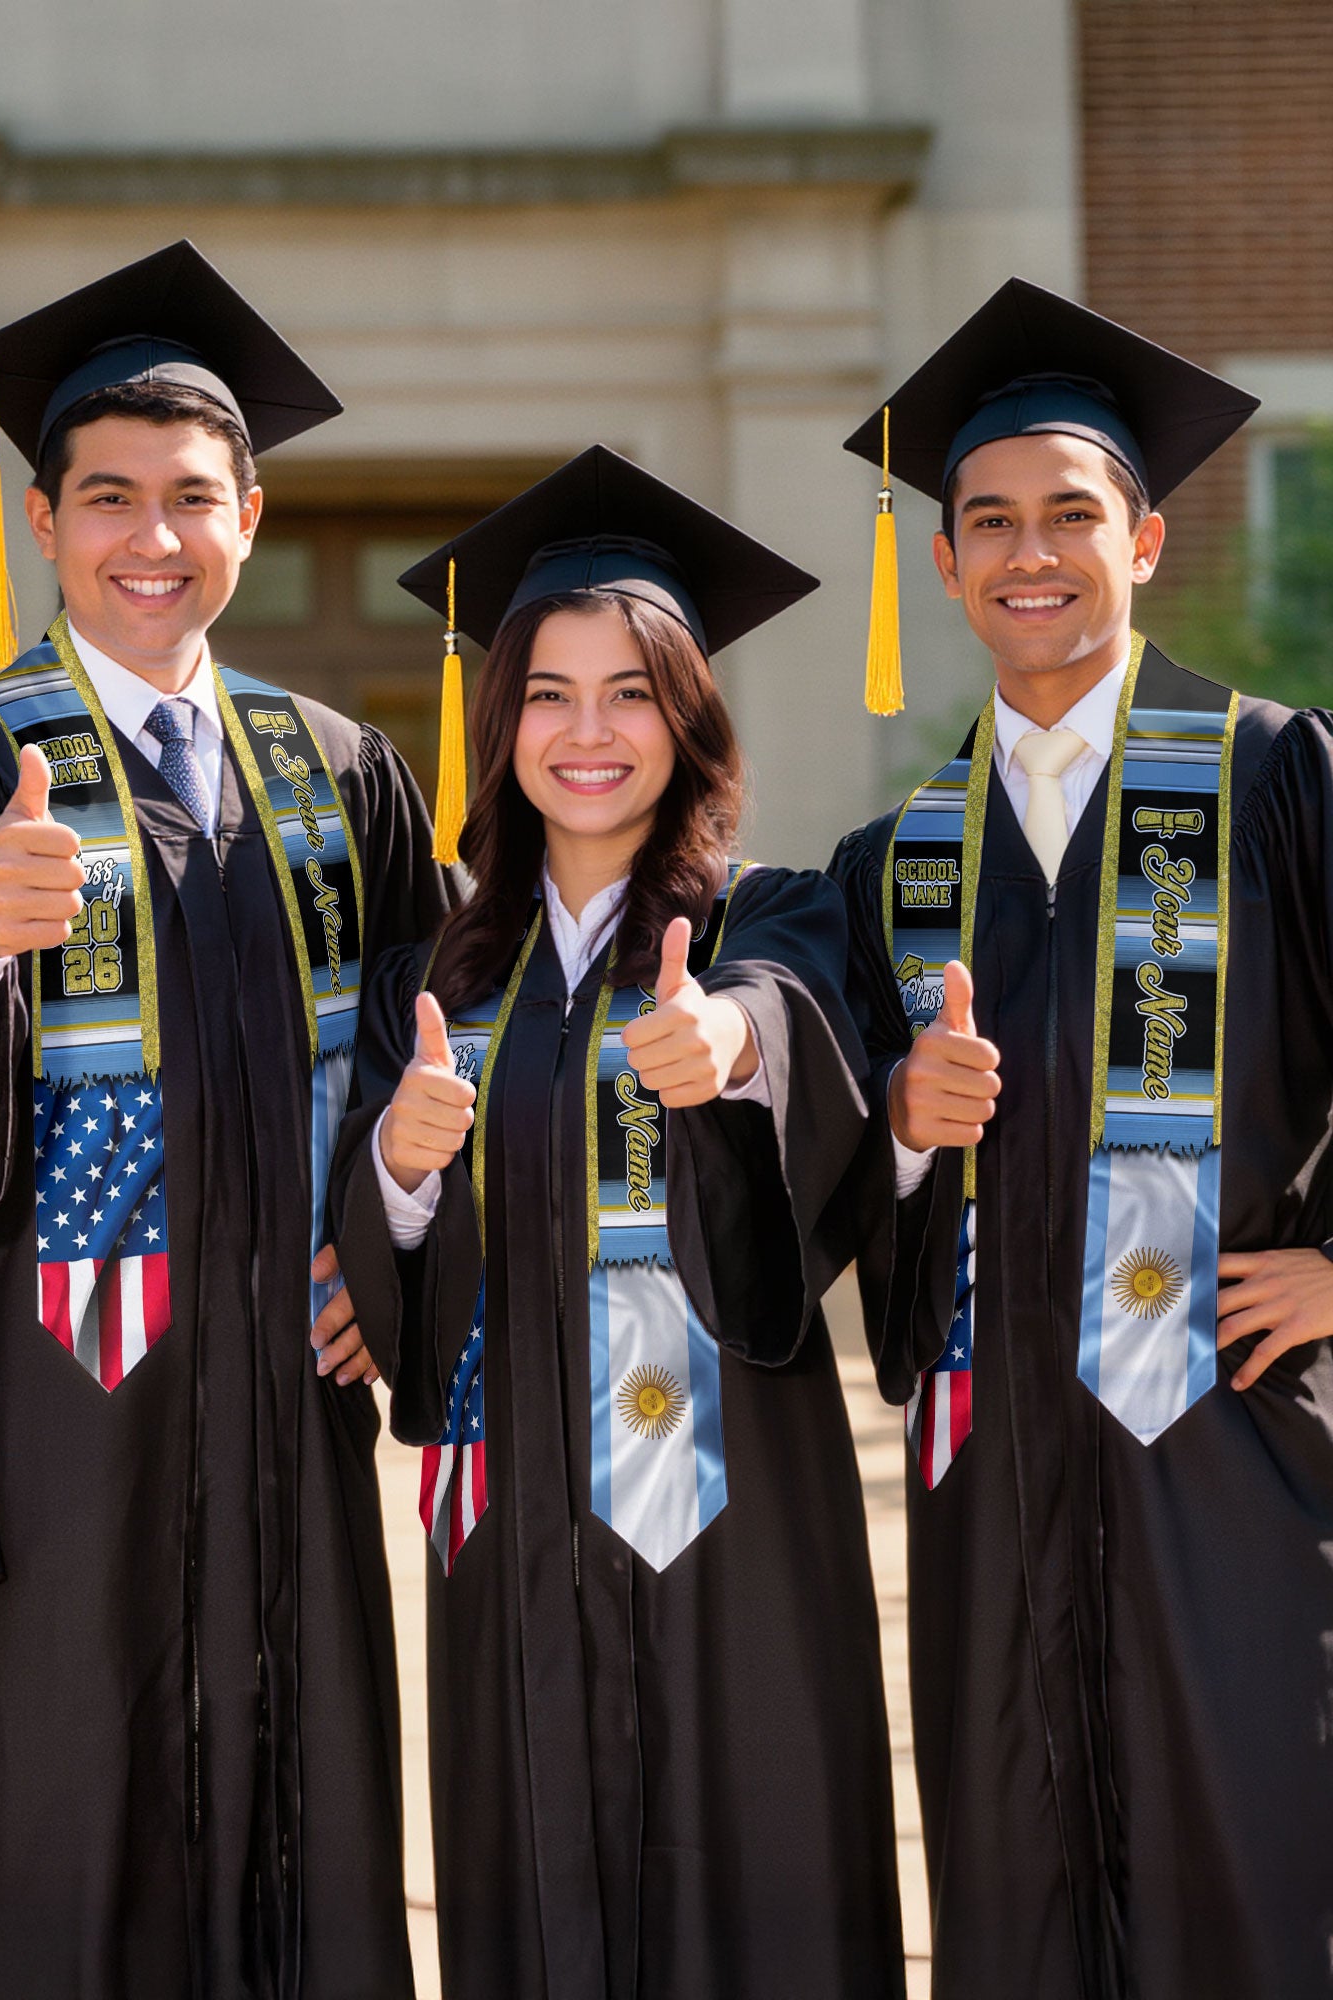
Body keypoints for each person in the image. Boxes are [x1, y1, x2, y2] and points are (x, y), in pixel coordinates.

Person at [0, 241, 453, 1999]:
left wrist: (393, 1246)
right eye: (109, 498)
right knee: (68, 1838)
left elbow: (444, 1041)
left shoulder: (340, 768)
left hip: (290, 1402)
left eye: (193, 498)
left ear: (250, 515)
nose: (151, 538)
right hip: (64, 1414)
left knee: (310, 1823)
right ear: (43, 521)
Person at [331, 446, 905, 1998]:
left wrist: (728, 1050)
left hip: (740, 1522)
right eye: (549, 694)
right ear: (500, 721)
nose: (590, 734)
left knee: (760, 1884)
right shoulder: (435, 980)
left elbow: (794, 1027)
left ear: (691, 717)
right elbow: (385, 1252)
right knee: (538, 1886)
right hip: (514, 1522)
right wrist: (395, 1159)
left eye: (633, 692)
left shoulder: (771, 916)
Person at [831, 279, 1333, 1999]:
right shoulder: (895, 859)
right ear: (950, 562)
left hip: (1232, 1448)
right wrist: (898, 1128)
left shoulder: (1273, 778)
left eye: (1070, 515)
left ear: (1147, 539)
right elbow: (830, 1176)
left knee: (1251, 1871)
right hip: (994, 1470)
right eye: (988, 522)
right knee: (1014, 1882)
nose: (1027, 552)